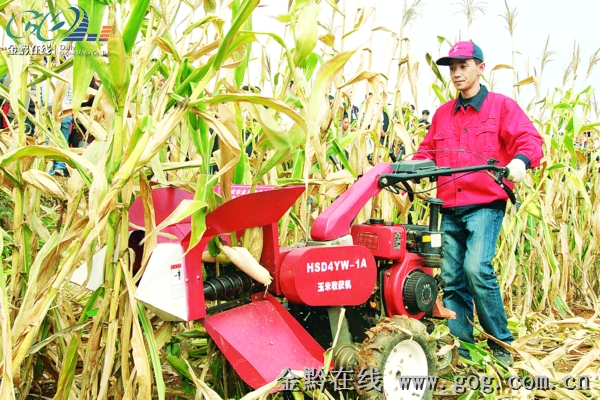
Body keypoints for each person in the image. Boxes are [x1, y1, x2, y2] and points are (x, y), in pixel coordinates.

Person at [412, 41, 543, 367]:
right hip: (449, 206)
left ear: (480, 68)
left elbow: (530, 140)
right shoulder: (443, 113)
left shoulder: (501, 107)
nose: (456, 73)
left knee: (476, 270)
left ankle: (502, 345)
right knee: (453, 278)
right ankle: (464, 350)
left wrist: (521, 162)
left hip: (485, 204)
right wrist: (411, 169)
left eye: (463, 66)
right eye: (452, 68)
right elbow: (427, 151)